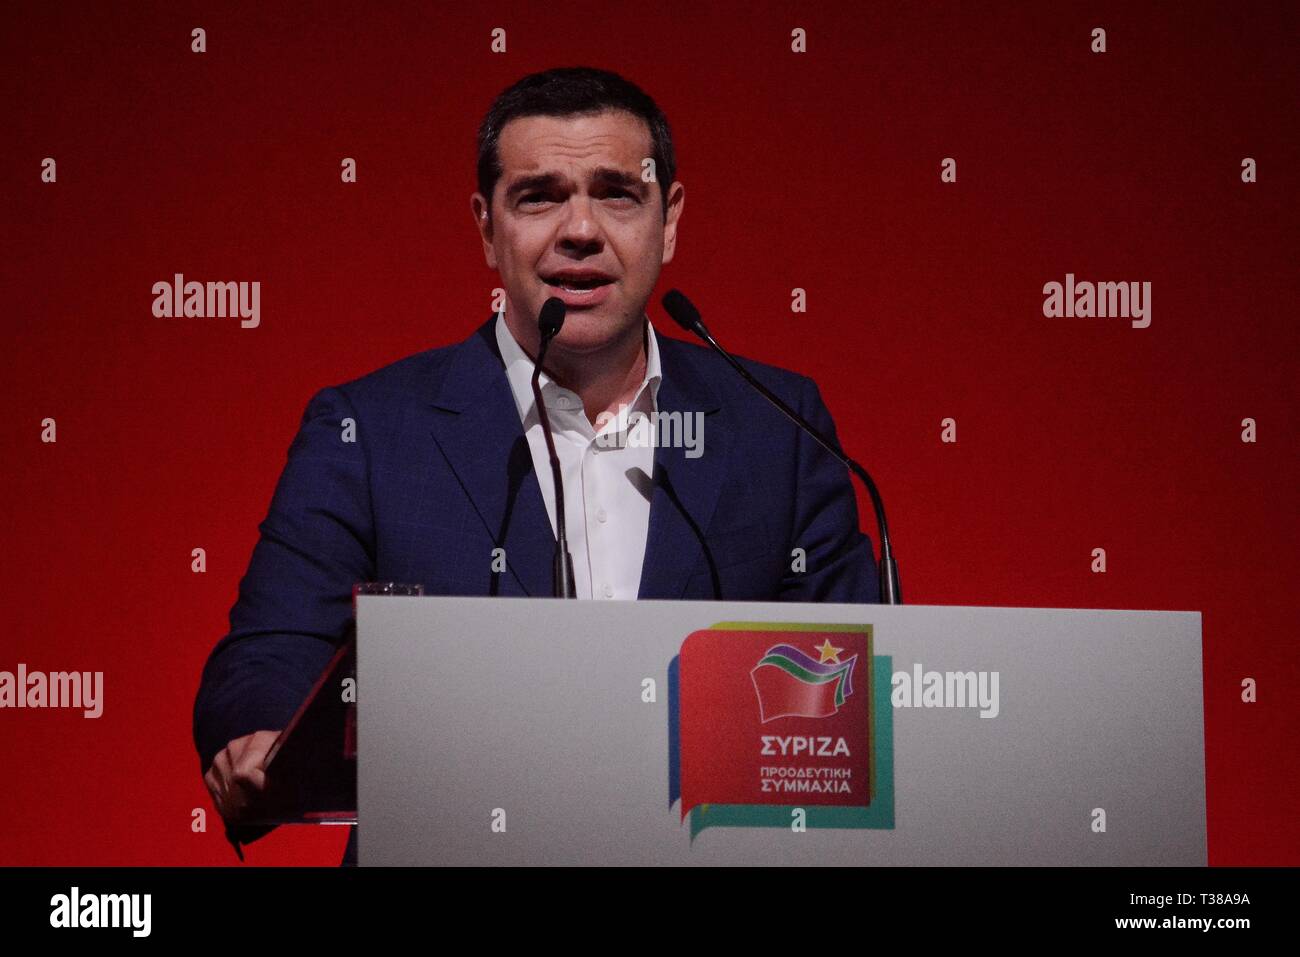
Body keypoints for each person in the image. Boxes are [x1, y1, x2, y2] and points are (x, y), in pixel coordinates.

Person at [193, 66, 881, 867]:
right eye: (540, 196)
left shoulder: (779, 427)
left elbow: (848, 690)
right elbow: (270, 653)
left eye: (618, 193)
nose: (580, 230)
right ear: (487, 229)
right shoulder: (370, 430)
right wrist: (262, 734)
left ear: (669, 221)